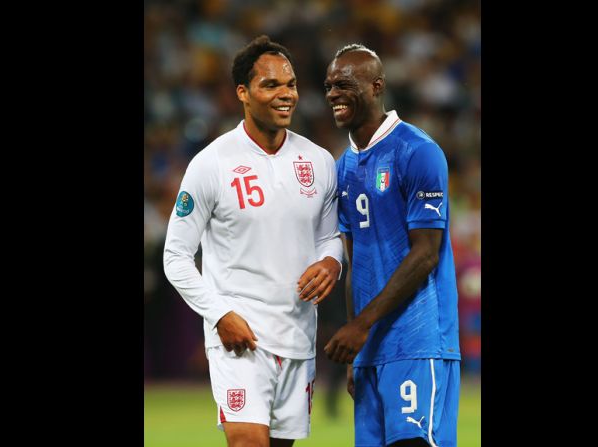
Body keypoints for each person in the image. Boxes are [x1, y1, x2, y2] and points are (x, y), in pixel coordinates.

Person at [163, 35, 342, 447]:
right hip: (239, 338)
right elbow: (176, 255)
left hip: (298, 336)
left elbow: (330, 237)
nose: (286, 95)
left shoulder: (317, 162)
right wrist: (219, 313)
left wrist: (332, 262)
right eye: (271, 85)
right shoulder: (212, 164)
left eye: (291, 84)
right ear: (243, 92)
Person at [322, 44, 461, 447]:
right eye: (329, 85)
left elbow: (425, 253)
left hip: (419, 341)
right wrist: (356, 350)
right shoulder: (342, 168)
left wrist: (360, 327)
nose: (333, 93)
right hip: (370, 351)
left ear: (376, 85)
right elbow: (355, 263)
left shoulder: (417, 151)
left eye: (344, 84)